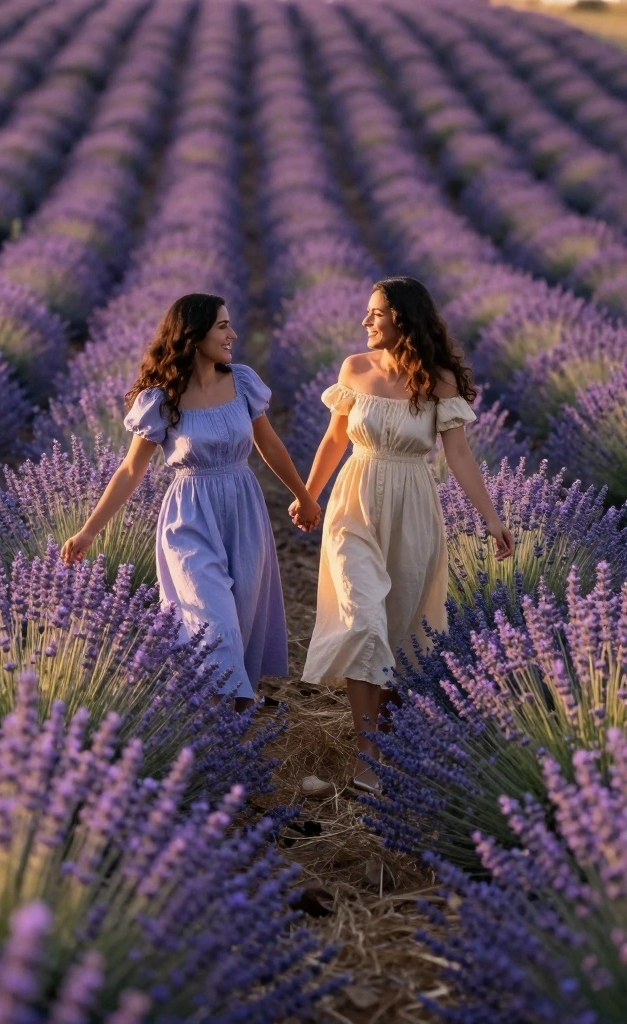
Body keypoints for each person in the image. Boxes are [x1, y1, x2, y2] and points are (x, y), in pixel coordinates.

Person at [289, 277, 514, 791]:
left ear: (403, 319)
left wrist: (492, 519)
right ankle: (365, 757)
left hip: (413, 509)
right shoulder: (354, 369)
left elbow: (459, 456)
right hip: (355, 502)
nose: (366, 322)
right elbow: (334, 439)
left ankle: (385, 747)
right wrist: (309, 496)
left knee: (396, 634)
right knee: (362, 618)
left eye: (376, 314)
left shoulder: (438, 382)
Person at [61, 292, 321, 710]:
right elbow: (131, 470)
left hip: (243, 508)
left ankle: (230, 715)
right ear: (194, 334)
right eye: (223, 326)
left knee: (242, 616)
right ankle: (218, 712)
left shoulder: (243, 382)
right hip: (189, 515)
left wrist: (303, 496)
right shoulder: (161, 400)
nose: (233, 334)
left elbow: (270, 445)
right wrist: (90, 529)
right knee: (210, 618)